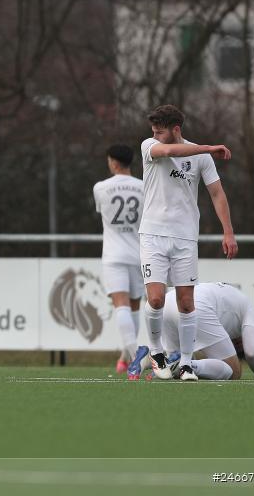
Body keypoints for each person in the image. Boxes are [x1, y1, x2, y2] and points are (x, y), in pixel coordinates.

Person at [138, 104, 237, 381]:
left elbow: (216, 193)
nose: (155, 136)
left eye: (160, 132)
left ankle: (185, 363)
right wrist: (208, 148)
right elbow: (170, 151)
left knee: (186, 302)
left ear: (176, 129)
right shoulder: (150, 146)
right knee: (156, 298)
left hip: (185, 237)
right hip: (153, 235)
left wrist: (228, 231)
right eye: (154, 131)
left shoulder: (201, 156)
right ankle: (156, 351)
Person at [136, 283, 254, 381]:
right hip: (193, 305)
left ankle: (150, 358)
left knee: (178, 364)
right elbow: (252, 352)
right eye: (239, 345)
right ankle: (180, 365)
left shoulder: (231, 301)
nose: (236, 345)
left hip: (169, 302)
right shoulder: (250, 311)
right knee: (234, 371)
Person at [92, 144, 148, 378]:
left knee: (121, 305)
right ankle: (126, 358)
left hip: (113, 255)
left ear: (114, 162)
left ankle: (135, 357)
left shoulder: (100, 187)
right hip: (138, 253)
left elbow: (103, 212)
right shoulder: (144, 186)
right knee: (133, 307)